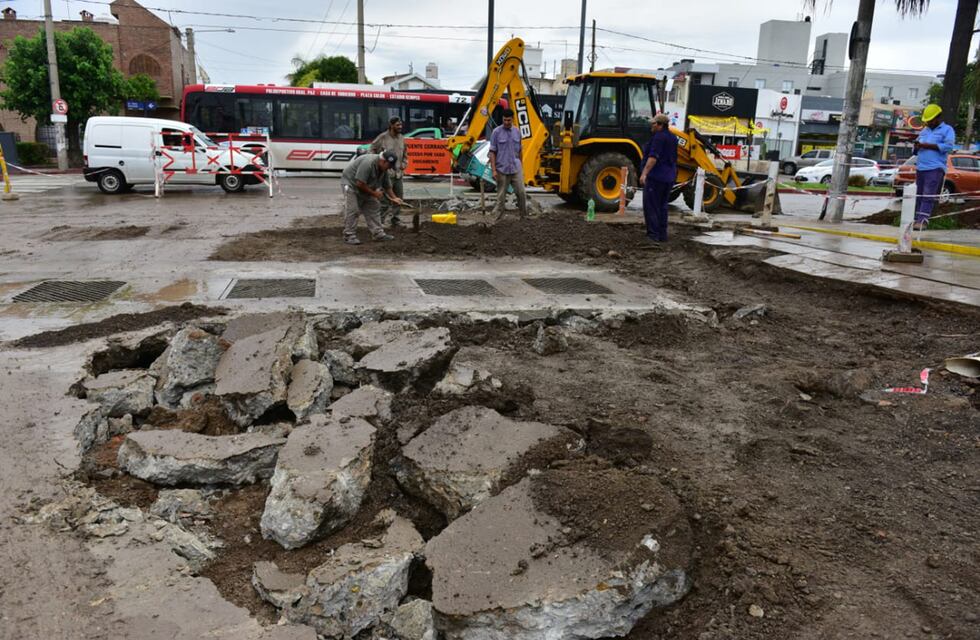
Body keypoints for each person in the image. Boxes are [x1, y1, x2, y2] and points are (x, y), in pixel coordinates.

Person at [341, 151, 405, 245]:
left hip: (367, 185)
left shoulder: (383, 169)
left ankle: (378, 234)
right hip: (351, 185)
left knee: (373, 206)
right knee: (353, 210)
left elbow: (387, 185)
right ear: (383, 161)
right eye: (389, 165)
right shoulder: (368, 164)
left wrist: (394, 198)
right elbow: (359, 183)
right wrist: (374, 193)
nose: (389, 168)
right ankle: (349, 236)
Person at [913, 103, 955, 230]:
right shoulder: (924, 131)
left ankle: (923, 221)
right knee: (919, 194)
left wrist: (928, 146)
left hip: (935, 168)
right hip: (921, 167)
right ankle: (916, 219)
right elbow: (916, 148)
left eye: (930, 120)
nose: (928, 123)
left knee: (928, 194)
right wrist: (916, 147)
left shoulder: (947, 130)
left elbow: (948, 147)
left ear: (937, 118)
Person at [639, 114, 678, 242]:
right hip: (669, 177)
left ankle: (653, 235)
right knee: (662, 206)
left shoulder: (658, 138)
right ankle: (662, 235)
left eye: (654, 123)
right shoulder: (673, 138)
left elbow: (653, 158)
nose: (652, 125)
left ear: (660, 125)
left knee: (651, 206)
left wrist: (644, 173)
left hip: (656, 177)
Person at [488, 108, 528, 219]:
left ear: (512, 119)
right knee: (501, 197)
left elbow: (520, 151)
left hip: (515, 168)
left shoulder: (517, 132)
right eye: (504, 120)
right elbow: (492, 152)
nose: (506, 122)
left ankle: (524, 217)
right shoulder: (496, 132)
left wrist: (521, 167)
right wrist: (494, 170)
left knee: (521, 193)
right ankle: (496, 219)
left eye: (508, 120)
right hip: (502, 169)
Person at [370, 116, 408, 227]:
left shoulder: (402, 138)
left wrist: (404, 164)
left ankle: (395, 220)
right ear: (391, 125)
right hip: (386, 174)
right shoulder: (382, 137)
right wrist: (377, 162)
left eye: (401, 125)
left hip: (398, 175)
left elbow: (405, 154)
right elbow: (371, 149)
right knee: (385, 201)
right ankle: (379, 222)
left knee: (398, 198)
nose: (400, 127)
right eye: (397, 125)